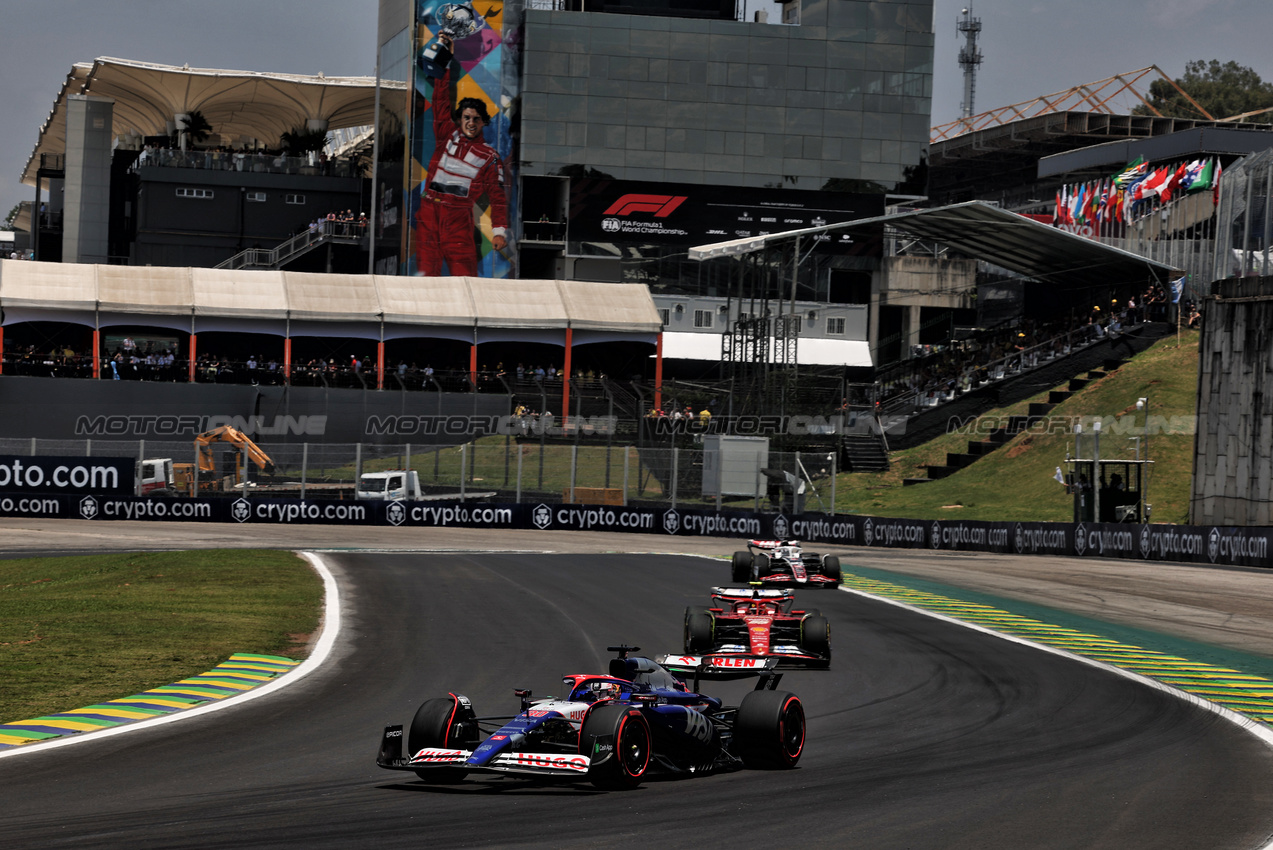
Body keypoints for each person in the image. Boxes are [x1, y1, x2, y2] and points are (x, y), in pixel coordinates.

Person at [414, 36, 508, 277]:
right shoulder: (447, 133)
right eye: (466, 117)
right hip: (429, 212)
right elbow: (441, 99)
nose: (471, 123)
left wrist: (499, 231)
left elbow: (497, 197)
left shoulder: (489, 156)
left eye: (476, 119)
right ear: (460, 119)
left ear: (483, 122)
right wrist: (445, 63)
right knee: (425, 276)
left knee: (465, 278)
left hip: (457, 218)